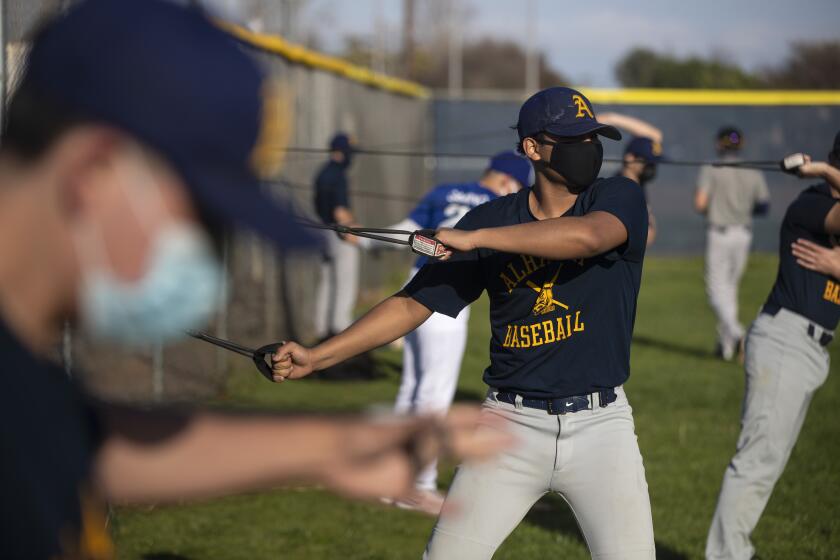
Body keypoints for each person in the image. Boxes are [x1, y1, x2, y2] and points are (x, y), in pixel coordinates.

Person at [0, 2, 510, 558]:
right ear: (95, 171)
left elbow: (74, 442)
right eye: (203, 217)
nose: (208, 255)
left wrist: (333, 446)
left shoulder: (24, 355)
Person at [273, 87, 655, 559]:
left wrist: (475, 239)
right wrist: (318, 356)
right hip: (509, 425)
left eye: (593, 137)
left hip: (602, 426)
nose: (589, 149)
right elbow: (413, 304)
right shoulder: (493, 216)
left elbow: (587, 237)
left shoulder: (616, 197)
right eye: (573, 138)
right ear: (532, 148)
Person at [369, 151, 531, 515]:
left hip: (414, 285)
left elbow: (405, 231)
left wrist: (364, 240)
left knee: (412, 385)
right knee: (434, 393)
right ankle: (419, 485)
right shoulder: (502, 205)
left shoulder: (444, 191)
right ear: (509, 182)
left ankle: (390, 475)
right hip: (450, 293)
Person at [705, 132, 840, 560]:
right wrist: (821, 172)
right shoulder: (813, 204)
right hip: (785, 341)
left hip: (811, 350)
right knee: (757, 463)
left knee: (768, 464)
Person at [694, 127, 771, 361]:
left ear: (719, 144)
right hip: (744, 234)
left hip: (720, 232)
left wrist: (718, 209)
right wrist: (741, 208)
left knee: (716, 290)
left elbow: (699, 204)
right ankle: (726, 347)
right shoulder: (752, 169)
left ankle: (739, 334)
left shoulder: (712, 167)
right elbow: (764, 206)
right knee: (730, 291)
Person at [313, 133, 362, 340]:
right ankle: (340, 330)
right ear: (342, 152)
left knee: (327, 283)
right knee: (344, 284)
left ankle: (322, 330)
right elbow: (340, 212)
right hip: (339, 234)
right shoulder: (338, 175)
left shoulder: (322, 172)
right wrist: (358, 233)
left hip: (323, 232)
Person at [598, 112, 664, 245]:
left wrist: (613, 119)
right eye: (647, 162)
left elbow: (656, 136)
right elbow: (646, 238)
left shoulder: (637, 184)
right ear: (630, 159)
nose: (651, 167)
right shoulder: (620, 190)